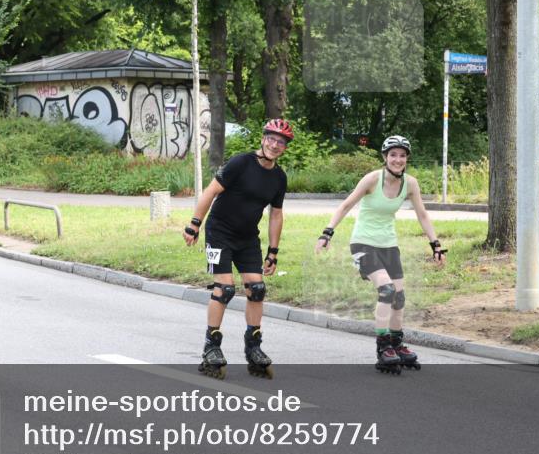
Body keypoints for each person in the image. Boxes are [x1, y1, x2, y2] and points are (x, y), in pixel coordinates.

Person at [315, 135, 446, 374]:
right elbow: (345, 205)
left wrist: (435, 244)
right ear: (385, 157)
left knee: (399, 297)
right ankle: (382, 345)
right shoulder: (372, 179)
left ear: (407, 159)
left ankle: (397, 343)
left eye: (402, 155)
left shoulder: (411, 184)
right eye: (393, 155)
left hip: (389, 245)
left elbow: (423, 215)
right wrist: (327, 234)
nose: (398, 160)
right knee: (386, 291)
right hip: (363, 243)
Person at [183, 119, 292, 379]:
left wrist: (273, 252)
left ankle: (253, 347)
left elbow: (276, 214)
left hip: (247, 238)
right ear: (263, 138)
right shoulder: (241, 163)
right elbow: (210, 192)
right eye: (271, 139)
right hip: (219, 233)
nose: (275, 145)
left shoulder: (279, 177)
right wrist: (194, 224)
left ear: (285, 148)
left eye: (281, 142)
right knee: (224, 289)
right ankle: (211, 347)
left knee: (257, 288)